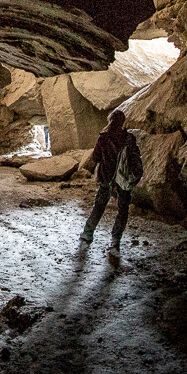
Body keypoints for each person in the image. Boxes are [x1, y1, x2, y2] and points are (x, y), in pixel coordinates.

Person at [80, 109, 142, 263]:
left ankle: (88, 233)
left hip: (106, 176)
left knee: (99, 206)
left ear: (110, 120)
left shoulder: (104, 137)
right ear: (123, 122)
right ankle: (115, 241)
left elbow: (95, 157)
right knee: (123, 209)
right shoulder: (129, 138)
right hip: (124, 178)